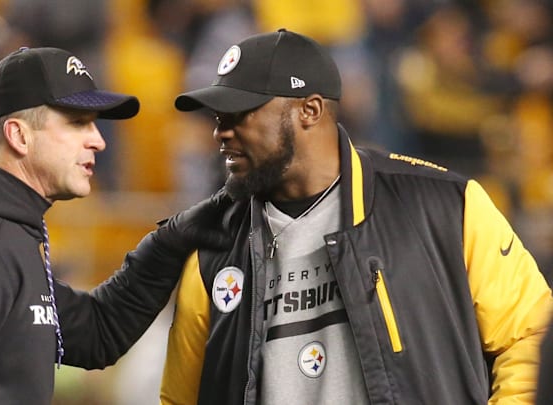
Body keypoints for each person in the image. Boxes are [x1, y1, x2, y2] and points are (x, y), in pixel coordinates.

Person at [159, 29, 553, 404]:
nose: (220, 133)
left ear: (309, 111)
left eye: (239, 114)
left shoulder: (446, 204)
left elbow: (528, 333)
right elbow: (182, 398)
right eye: (217, 118)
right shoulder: (212, 254)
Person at [0, 46, 230, 404]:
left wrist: (167, 243)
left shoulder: (3, 235)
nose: (99, 141)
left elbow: (97, 333)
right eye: (77, 123)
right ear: (19, 135)